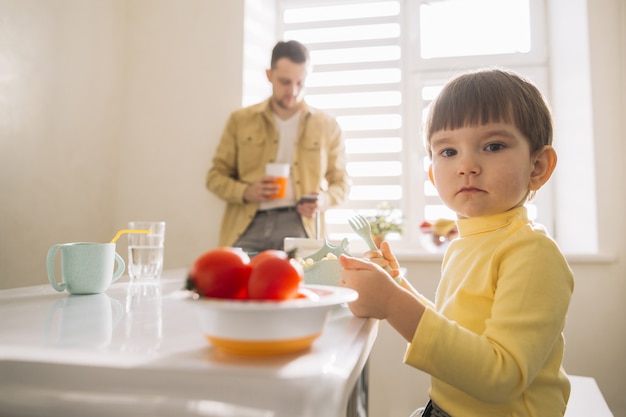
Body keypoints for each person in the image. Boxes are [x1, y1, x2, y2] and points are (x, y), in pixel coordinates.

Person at [338, 68, 574, 417]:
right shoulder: (467, 243)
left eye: (493, 146)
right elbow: (457, 334)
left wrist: (391, 302)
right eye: (447, 151)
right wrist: (397, 285)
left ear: (537, 166)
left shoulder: (532, 253)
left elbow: (500, 375)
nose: (466, 165)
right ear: (433, 174)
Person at [206, 40, 350, 252]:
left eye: (300, 83)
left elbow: (342, 183)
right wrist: (247, 192)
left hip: (300, 226)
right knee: (233, 282)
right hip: (246, 225)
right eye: (285, 82)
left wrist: (324, 200)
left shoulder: (326, 125)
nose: (293, 90)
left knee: (299, 284)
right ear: (269, 75)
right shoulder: (240, 120)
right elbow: (215, 177)